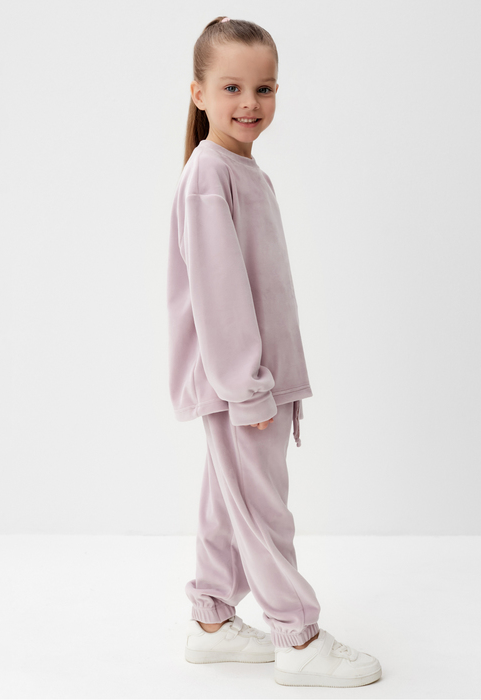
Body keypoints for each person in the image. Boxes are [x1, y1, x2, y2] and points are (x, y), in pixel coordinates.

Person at [166, 16, 382, 688]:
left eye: (263, 88)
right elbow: (219, 293)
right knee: (263, 512)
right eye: (231, 87)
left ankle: (211, 621)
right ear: (198, 93)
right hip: (243, 386)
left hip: (257, 380)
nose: (249, 102)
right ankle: (298, 637)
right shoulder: (210, 174)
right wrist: (249, 387)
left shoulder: (240, 169)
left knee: (228, 503)